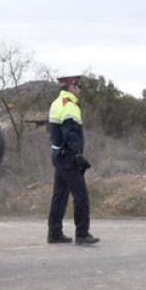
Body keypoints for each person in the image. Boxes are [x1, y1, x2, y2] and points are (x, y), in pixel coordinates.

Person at [46, 75, 98, 245]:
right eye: (79, 87)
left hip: (58, 154)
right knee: (81, 196)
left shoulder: (56, 103)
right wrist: (78, 155)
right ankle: (82, 234)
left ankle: (54, 233)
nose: (80, 90)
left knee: (60, 195)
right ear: (72, 88)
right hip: (68, 155)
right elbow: (71, 132)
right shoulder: (70, 105)